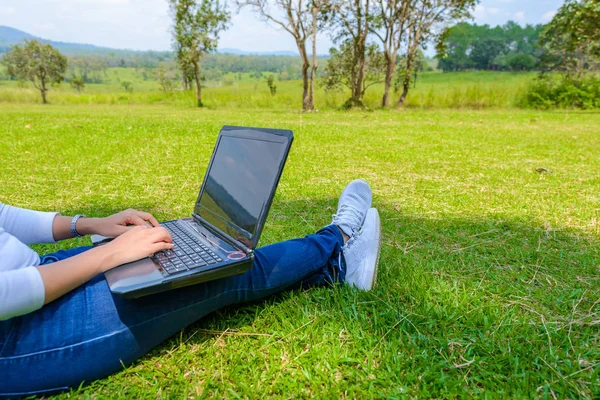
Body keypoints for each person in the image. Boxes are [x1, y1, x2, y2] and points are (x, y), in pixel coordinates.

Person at [0, 179, 381, 396]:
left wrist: (90, 224)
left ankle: (331, 270)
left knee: (182, 253)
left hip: (38, 270)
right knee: (224, 271)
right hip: (16, 336)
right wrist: (108, 256)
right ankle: (340, 241)